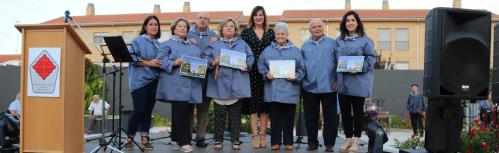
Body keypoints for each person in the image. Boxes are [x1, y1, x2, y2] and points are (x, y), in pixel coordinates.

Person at [156, 18, 205, 153]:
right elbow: (160, 61)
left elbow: (201, 62)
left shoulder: (194, 47)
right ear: (174, 29)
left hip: (192, 85)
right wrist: (173, 63)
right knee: (180, 112)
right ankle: (185, 142)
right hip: (175, 84)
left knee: (187, 112)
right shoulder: (166, 44)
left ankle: (177, 139)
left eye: (185, 27)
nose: (183, 28)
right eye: (180, 26)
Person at [204, 18, 254, 150]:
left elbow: (250, 57)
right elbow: (205, 59)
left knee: (235, 116)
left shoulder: (243, 43)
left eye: (232, 26)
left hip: (237, 84)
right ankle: (218, 140)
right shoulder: (214, 44)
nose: (229, 28)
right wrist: (213, 62)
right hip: (219, 84)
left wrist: (246, 65)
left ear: (236, 29)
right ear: (221, 29)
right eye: (226, 26)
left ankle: (236, 140)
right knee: (219, 115)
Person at [258, 22, 305, 151]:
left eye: (282, 33)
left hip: (290, 90)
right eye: (278, 34)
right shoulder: (267, 50)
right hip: (273, 90)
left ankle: (289, 142)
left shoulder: (295, 50)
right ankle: (275, 142)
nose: (280, 36)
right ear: (275, 35)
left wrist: (296, 76)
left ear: (287, 35)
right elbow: (261, 65)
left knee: (289, 119)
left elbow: (302, 68)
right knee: (276, 119)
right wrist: (266, 74)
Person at [336, 10, 376, 152]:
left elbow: (371, 58)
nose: (350, 23)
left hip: (358, 82)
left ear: (357, 23)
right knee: (345, 113)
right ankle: (348, 140)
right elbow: (335, 60)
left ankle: (357, 141)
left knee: (358, 113)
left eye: (353, 20)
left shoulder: (366, 40)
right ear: (344, 24)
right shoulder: (339, 40)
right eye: (347, 21)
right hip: (343, 82)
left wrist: (360, 68)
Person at [300, 18, 339, 152]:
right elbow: (301, 66)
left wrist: (337, 79)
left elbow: (339, 63)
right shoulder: (304, 46)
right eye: (314, 27)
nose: (317, 29)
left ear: (323, 28)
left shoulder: (333, 44)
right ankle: (312, 143)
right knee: (311, 117)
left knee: (331, 116)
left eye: (319, 26)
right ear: (310, 30)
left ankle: (329, 144)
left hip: (329, 85)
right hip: (309, 87)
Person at [124, 15, 162, 150]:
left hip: (154, 81)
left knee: (148, 111)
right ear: (145, 27)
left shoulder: (159, 44)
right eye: (151, 24)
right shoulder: (137, 40)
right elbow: (133, 59)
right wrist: (150, 63)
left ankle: (144, 139)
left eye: (156, 25)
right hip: (139, 82)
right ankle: (129, 138)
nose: (154, 27)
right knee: (139, 110)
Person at [240, 6, 275, 148]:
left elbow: (279, 45)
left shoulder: (271, 32)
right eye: (256, 15)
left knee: (265, 106)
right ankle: (255, 136)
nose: (258, 17)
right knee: (253, 106)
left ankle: (263, 135)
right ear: (252, 17)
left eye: (261, 15)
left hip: (267, 72)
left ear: (264, 16)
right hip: (251, 72)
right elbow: (240, 49)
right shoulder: (246, 32)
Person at [186, 12, 217, 148]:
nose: (202, 20)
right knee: (188, 107)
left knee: (203, 108)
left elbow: (217, 54)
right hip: (190, 76)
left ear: (209, 22)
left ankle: (200, 137)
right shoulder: (186, 33)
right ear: (195, 20)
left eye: (205, 18)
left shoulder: (215, 37)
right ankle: (186, 137)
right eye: (200, 18)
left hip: (207, 76)